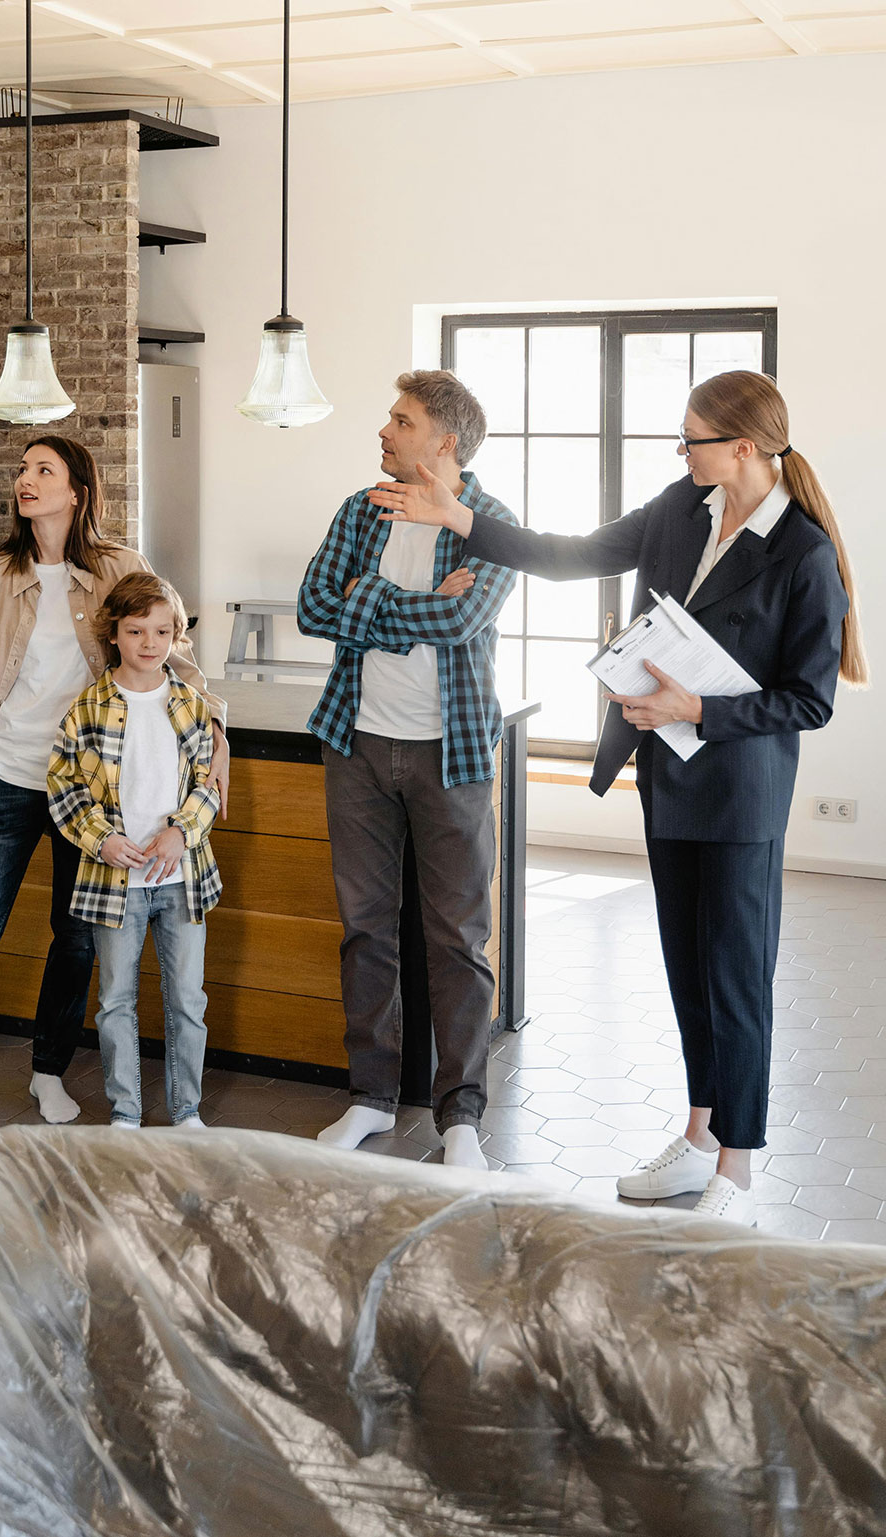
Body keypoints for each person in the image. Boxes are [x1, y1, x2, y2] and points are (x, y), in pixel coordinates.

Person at [369, 370, 866, 1224]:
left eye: (694, 439)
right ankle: (702, 1135)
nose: (682, 452)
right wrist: (458, 518)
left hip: (741, 795)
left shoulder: (803, 554)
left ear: (743, 447)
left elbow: (809, 699)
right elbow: (575, 555)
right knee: (686, 969)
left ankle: (735, 1175)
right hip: (667, 778)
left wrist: (697, 706)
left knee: (736, 978)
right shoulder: (682, 507)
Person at [0, 438, 229, 1159]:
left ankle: (47, 1070)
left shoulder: (120, 568)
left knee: (74, 940)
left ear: (76, 490)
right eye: (24, 470)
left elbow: (177, 656)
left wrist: (215, 730)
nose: (25, 480)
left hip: (94, 801)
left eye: (43, 471)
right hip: (6, 781)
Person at [298, 369, 518, 1170]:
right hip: (354, 741)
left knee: (458, 936)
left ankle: (460, 1113)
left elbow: (464, 617)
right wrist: (394, 603)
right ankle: (370, 1097)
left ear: (444, 441)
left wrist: (369, 601)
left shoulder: (490, 523)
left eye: (400, 420)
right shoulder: (362, 508)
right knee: (366, 929)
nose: (384, 431)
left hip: (450, 751)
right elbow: (313, 608)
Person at [47, 572, 220, 1129]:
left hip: (181, 878)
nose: (151, 643)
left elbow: (207, 785)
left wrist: (181, 831)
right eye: (137, 630)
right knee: (116, 1001)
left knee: (187, 1002)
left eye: (163, 631)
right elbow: (64, 786)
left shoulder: (193, 707)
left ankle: (186, 1111)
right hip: (113, 883)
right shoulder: (87, 709)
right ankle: (126, 1113)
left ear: (176, 635)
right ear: (114, 634)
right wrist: (103, 839)